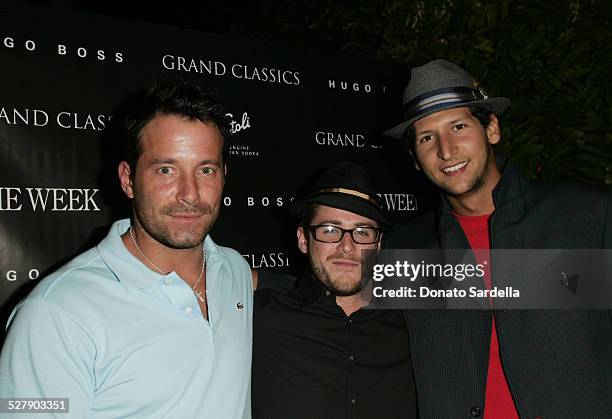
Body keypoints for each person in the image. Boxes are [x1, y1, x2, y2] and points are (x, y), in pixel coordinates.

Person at [0, 80, 253, 418]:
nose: (189, 194)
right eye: (166, 170)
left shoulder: (233, 271)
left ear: (224, 177)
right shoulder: (53, 315)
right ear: (128, 179)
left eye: (205, 170)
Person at [383, 59, 612, 418]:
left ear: (491, 129)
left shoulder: (587, 218)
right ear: (414, 158)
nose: (446, 150)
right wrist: (261, 283)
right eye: (427, 137)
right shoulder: (405, 250)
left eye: (458, 126)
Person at [252, 162, 417, 419]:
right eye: (330, 230)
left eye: (362, 232)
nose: (347, 246)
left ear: (379, 245)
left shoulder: (414, 325)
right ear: (303, 239)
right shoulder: (257, 317)